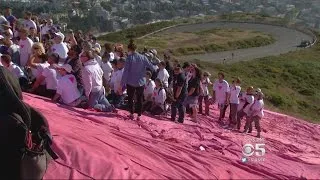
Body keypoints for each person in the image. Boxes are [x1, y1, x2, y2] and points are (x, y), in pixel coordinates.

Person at [121, 40, 155, 121]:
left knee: (130, 98)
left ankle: (131, 113)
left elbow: (126, 71)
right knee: (140, 99)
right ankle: (139, 115)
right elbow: (151, 67)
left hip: (131, 81)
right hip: (141, 81)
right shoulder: (143, 57)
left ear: (130, 49)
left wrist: (123, 82)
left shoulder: (129, 58)